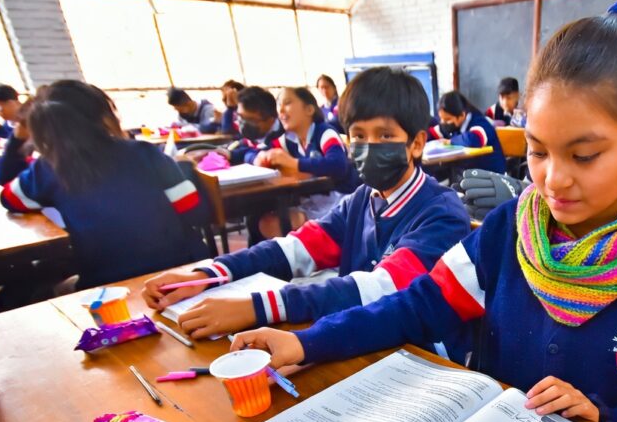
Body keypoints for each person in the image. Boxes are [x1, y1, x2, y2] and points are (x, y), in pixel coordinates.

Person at [229, 0, 617, 422]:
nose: (552, 181)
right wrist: (307, 343)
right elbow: (419, 305)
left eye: (584, 155)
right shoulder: (511, 229)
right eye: (537, 151)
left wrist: (605, 418)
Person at [142, 67, 471, 341]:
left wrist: (258, 307)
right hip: (359, 339)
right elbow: (294, 249)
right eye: (358, 136)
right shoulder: (362, 200)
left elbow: (381, 290)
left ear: (416, 144)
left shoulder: (441, 213)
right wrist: (206, 275)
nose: (369, 146)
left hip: (420, 355)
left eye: (384, 136)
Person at [0, 80, 211, 289]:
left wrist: (17, 140)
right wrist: (183, 168)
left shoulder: (47, 168)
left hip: (105, 283)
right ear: (104, 116)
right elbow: (193, 210)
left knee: (46, 288)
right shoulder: (143, 153)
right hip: (179, 271)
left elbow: (9, 198)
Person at [253, 87, 359, 228]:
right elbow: (255, 151)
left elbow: (338, 165)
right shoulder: (288, 139)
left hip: (341, 201)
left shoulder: (324, 132)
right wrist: (259, 158)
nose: (281, 110)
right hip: (312, 203)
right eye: (279, 105)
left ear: (309, 110)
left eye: (287, 103)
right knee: (262, 221)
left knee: (277, 224)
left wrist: (293, 163)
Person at [430, 91, 507, 176]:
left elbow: (473, 140)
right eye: (441, 118)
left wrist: (451, 141)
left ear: (462, 115)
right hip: (471, 175)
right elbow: (432, 133)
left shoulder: (479, 122)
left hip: (491, 177)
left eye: (447, 119)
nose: (443, 122)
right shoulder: (452, 125)